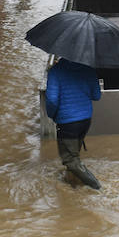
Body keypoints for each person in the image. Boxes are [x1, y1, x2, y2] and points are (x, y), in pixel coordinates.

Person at [44, 58, 102, 189]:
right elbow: (96, 95)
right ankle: (73, 184)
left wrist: (52, 115)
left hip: (67, 122)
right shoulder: (88, 69)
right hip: (85, 120)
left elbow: (52, 100)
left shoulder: (56, 71)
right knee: (74, 153)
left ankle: (96, 187)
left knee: (70, 160)